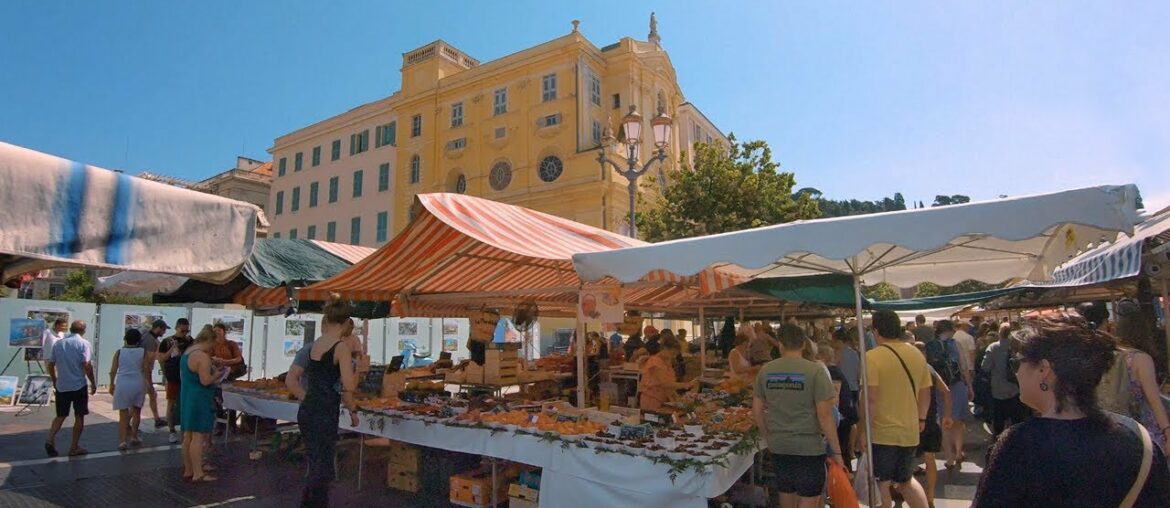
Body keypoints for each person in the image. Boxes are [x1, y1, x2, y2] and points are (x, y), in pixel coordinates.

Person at [972, 315, 1170, 507]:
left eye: (1017, 362)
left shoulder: (1017, 446)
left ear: (1043, 369)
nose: (1016, 372)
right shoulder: (1138, 439)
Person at [753, 324, 844, 508]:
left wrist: (768, 435)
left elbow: (757, 410)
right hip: (808, 447)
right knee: (809, 497)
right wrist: (838, 452)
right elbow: (825, 416)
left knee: (786, 493)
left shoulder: (766, 370)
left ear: (780, 345)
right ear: (803, 344)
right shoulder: (815, 371)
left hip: (779, 445)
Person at [862, 310, 932, 508]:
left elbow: (871, 399)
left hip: (882, 432)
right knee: (906, 481)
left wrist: (863, 431)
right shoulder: (916, 353)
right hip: (910, 430)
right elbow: (925, 392)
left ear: (876, 331)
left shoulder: (872, 357)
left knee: (881, 485)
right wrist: (921, 419)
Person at [299, 294, 361, 507]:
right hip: (325, 409)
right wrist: (359, 370)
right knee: (323, 466)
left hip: (308, 406)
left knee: (314, 461)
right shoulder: (341, 348)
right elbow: (349, 385)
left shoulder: (315, 344)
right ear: (345, 323)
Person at [1114, 300, 1170, 451]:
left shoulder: (1109, 355)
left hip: (1116, 425)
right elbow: (1154, 401)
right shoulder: (1141, 359)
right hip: (1143, 429)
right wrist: (1167, 431)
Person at [925, 320, 974, 471]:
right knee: (958, 421)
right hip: (957, 384)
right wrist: (970, 386)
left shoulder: (930, 345)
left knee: (945, 422)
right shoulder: (955, 344)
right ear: (950, 330)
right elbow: (963, 366)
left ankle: (949, 457)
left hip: (940, 387)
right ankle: (959, 452)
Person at [44, 320, 97, 458]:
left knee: (60, 415)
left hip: (62, 385)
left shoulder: (59, 344)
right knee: (79, 415)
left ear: (71, 329)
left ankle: (50, 439)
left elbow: (51, 364)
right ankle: (74, 447)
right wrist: (93, 382)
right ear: (83, 330)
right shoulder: (84, 344)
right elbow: (86, 364)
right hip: (78, 384)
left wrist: (55, 379)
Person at [181, 325, 225, 482]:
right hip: (199, 399)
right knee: (198, 437)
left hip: (187, 396)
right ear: (210, 341)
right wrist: (217, 375)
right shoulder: (202, 357)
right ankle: (198, 472)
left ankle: (189, 469)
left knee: (188, 435)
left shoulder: (187, 353)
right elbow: (205, 380)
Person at [913, 342, 954, 508]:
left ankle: (914, 496)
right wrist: (947, 415)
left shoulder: (910, 369)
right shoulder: (930, 369)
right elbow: (946, 392)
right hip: (930, 420)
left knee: (908, 461)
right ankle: (929, 497)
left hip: (913, 421)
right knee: (930, 459)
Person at [981, 329, 1029, 438]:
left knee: (998, 417)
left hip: (998, 388)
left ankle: (999, 440)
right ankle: (1018, 439)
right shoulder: (1019, 347)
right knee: (1017, 417)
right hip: (1016, 386)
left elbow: (985, 367)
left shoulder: (993, 347)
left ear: (999, 334)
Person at [109, 329, 150, 451]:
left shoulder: (119, 352)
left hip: (123, 383)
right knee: (137, 410)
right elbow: (146, 369)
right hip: (138, 382)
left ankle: (122, 441)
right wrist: (149, 384)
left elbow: (113, 370)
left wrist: (111, 384)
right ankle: (134, 436)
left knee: (123, 414)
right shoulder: (143, 352)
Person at [638, 335, 696, 411]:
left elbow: (670, 383)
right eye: (672, 354)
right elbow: (665, 383)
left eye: (675, 354)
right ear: (664, 348)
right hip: (652, 400)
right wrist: (686, 385)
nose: (673, 357)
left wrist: (675, 396)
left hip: (663, 400)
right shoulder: (654, 362)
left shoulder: (667, 362)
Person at [831, 328, 861, 470]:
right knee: (852, 420)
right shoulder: (854, 353)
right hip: (854, 387)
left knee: (844, 420)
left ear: (838, 340)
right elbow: (859, 371)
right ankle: (851, 448)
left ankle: (847, 449)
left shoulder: (838, 354)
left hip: (842, 389)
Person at [160, 319, 193, 443]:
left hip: (187, 377)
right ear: (177, 328)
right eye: (182, 330)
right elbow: (161, 358)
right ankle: (172, 430)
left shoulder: (190, 341)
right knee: (171, 404)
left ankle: (185, 429)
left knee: (186, 403)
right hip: (173, 376)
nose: (185, 333)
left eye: (186, 330)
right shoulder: (167, 341)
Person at [209, 323, 244, 433]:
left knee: (231, 399)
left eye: (219, 330)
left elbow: (239, 358)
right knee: (217, 399)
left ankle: (232, 424)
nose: (217, 332)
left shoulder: (231, 344)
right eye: (215, 331)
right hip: (217, 376)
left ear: (224, 332)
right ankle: (219, 424)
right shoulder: (211, 345)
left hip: (230, 376)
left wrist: (225, 362)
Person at [141, 319, 170, 429]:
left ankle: (157, 418)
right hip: (144, 373)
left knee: (152, 395)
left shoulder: (146, 336)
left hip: (142, 372)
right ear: (158, 328)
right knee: (145, 397)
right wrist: (149, 380)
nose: (164, 332)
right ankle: (129, 422)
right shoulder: (150, 341)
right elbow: (147, 362)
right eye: (163, 330)